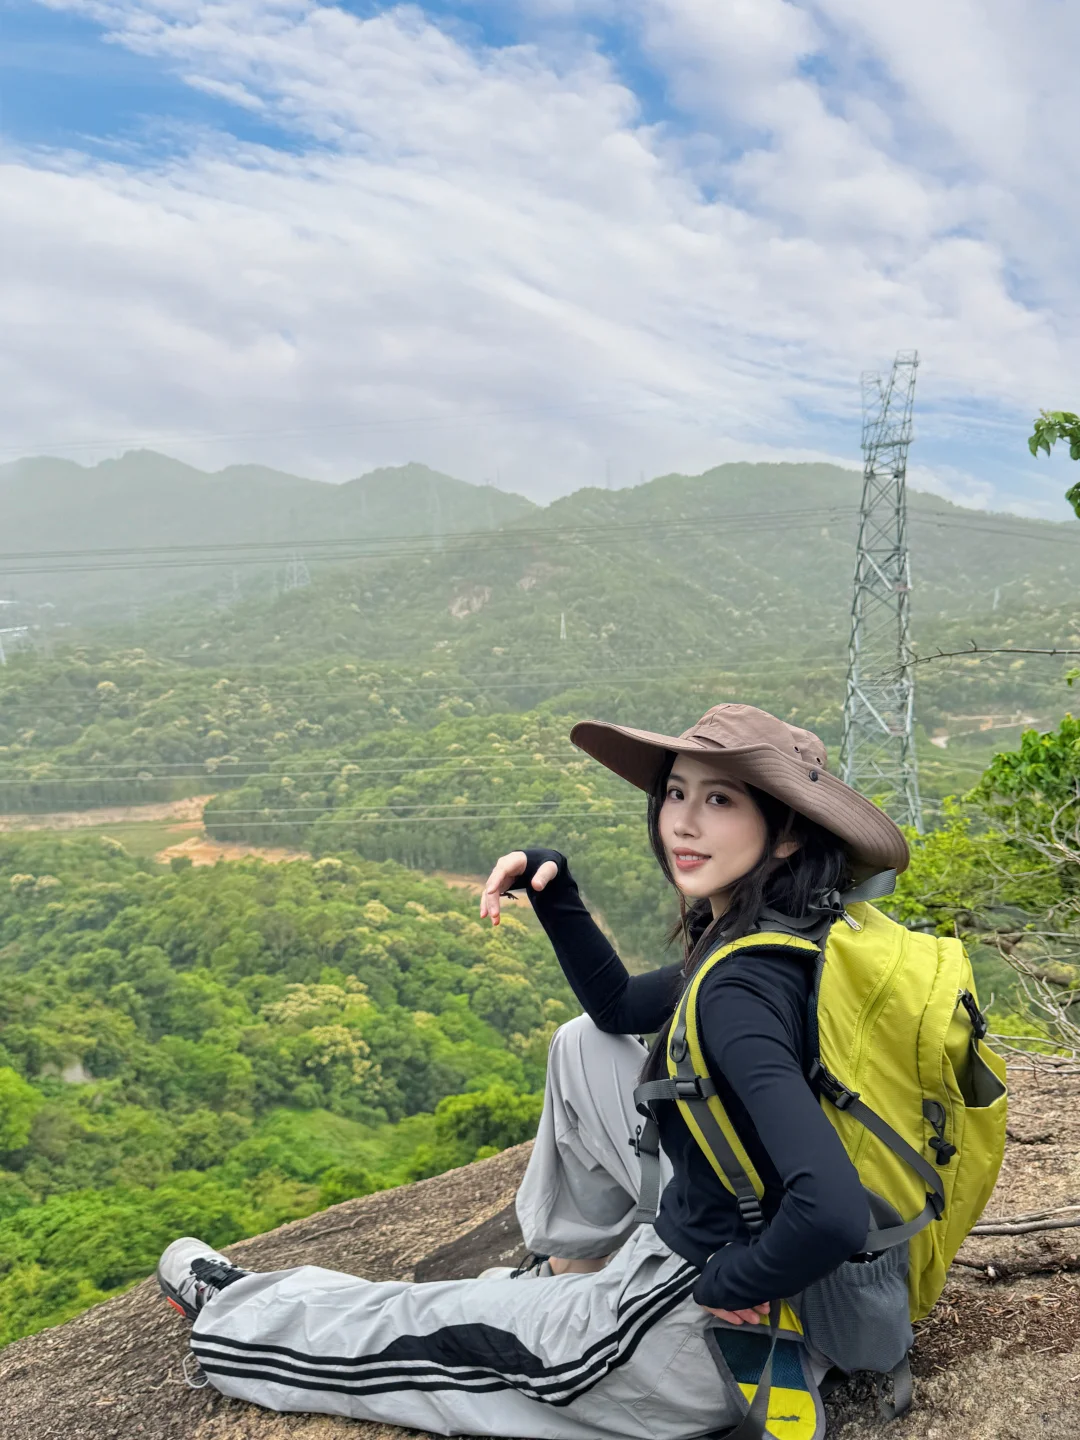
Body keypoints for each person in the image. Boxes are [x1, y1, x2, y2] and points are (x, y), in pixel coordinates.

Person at [156, 703, 909, 1440]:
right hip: (790, 1257)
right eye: (676, 793)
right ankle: (568, 1272)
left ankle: (235, 1310)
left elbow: (832, 1211)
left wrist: (731, 1282)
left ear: (785, 836)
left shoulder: (739, 991)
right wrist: (557, 889)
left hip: (690, 1338)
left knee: (431, 1324)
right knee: (583, 1044)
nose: (682, 821)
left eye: (720, 800)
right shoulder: (793, 932)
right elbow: (616, 1007)